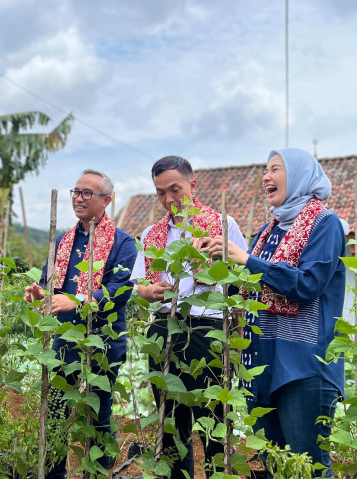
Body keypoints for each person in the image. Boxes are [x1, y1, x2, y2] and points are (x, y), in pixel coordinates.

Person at [197, 149, 346, 478]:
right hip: (261, 363)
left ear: (300, 176)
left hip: (304, 367)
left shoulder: (326, 224)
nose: (266, 176)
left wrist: (246, 260)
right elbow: (252, 288)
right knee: (274, 466)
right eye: (265, 170)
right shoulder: (269, 230)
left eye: (275, 169)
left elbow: (307, 286)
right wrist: (214, 269)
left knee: (308, 467)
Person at [131, 156, 248, 479]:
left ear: (192, 185)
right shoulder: (151, 233)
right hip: (163, 327)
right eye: (160, 193)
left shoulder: (223, 224)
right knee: (170, 425)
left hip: (207, 329)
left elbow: (244, 276)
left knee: (214, 420)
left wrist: (218, 263)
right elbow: (138, 283)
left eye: (175, 189)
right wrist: (147, 291)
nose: (168, 200)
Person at [24, 169, 138, 478]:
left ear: (106, 201)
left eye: (87, 193)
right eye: (76, 191)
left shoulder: (123, 244)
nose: (78, 198)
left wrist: (80, 300)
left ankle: (98, 471)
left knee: (98, 409)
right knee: (58, 407)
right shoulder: (64, 241)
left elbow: (121, 290)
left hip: (104, 341)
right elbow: (51, 284)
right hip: (67, 337)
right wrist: (40, 293)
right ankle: (54, 473)